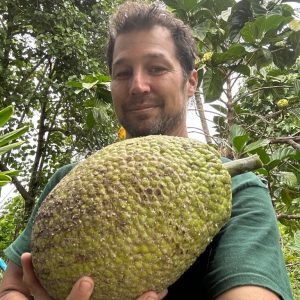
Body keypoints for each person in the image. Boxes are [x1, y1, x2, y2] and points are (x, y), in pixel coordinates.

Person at [0, 2, 293, 300]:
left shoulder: (238, 189)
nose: (138, 85)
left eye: (156, 68)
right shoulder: (69, 178)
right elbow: (13, 286)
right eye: (123, 73)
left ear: (191, 81)